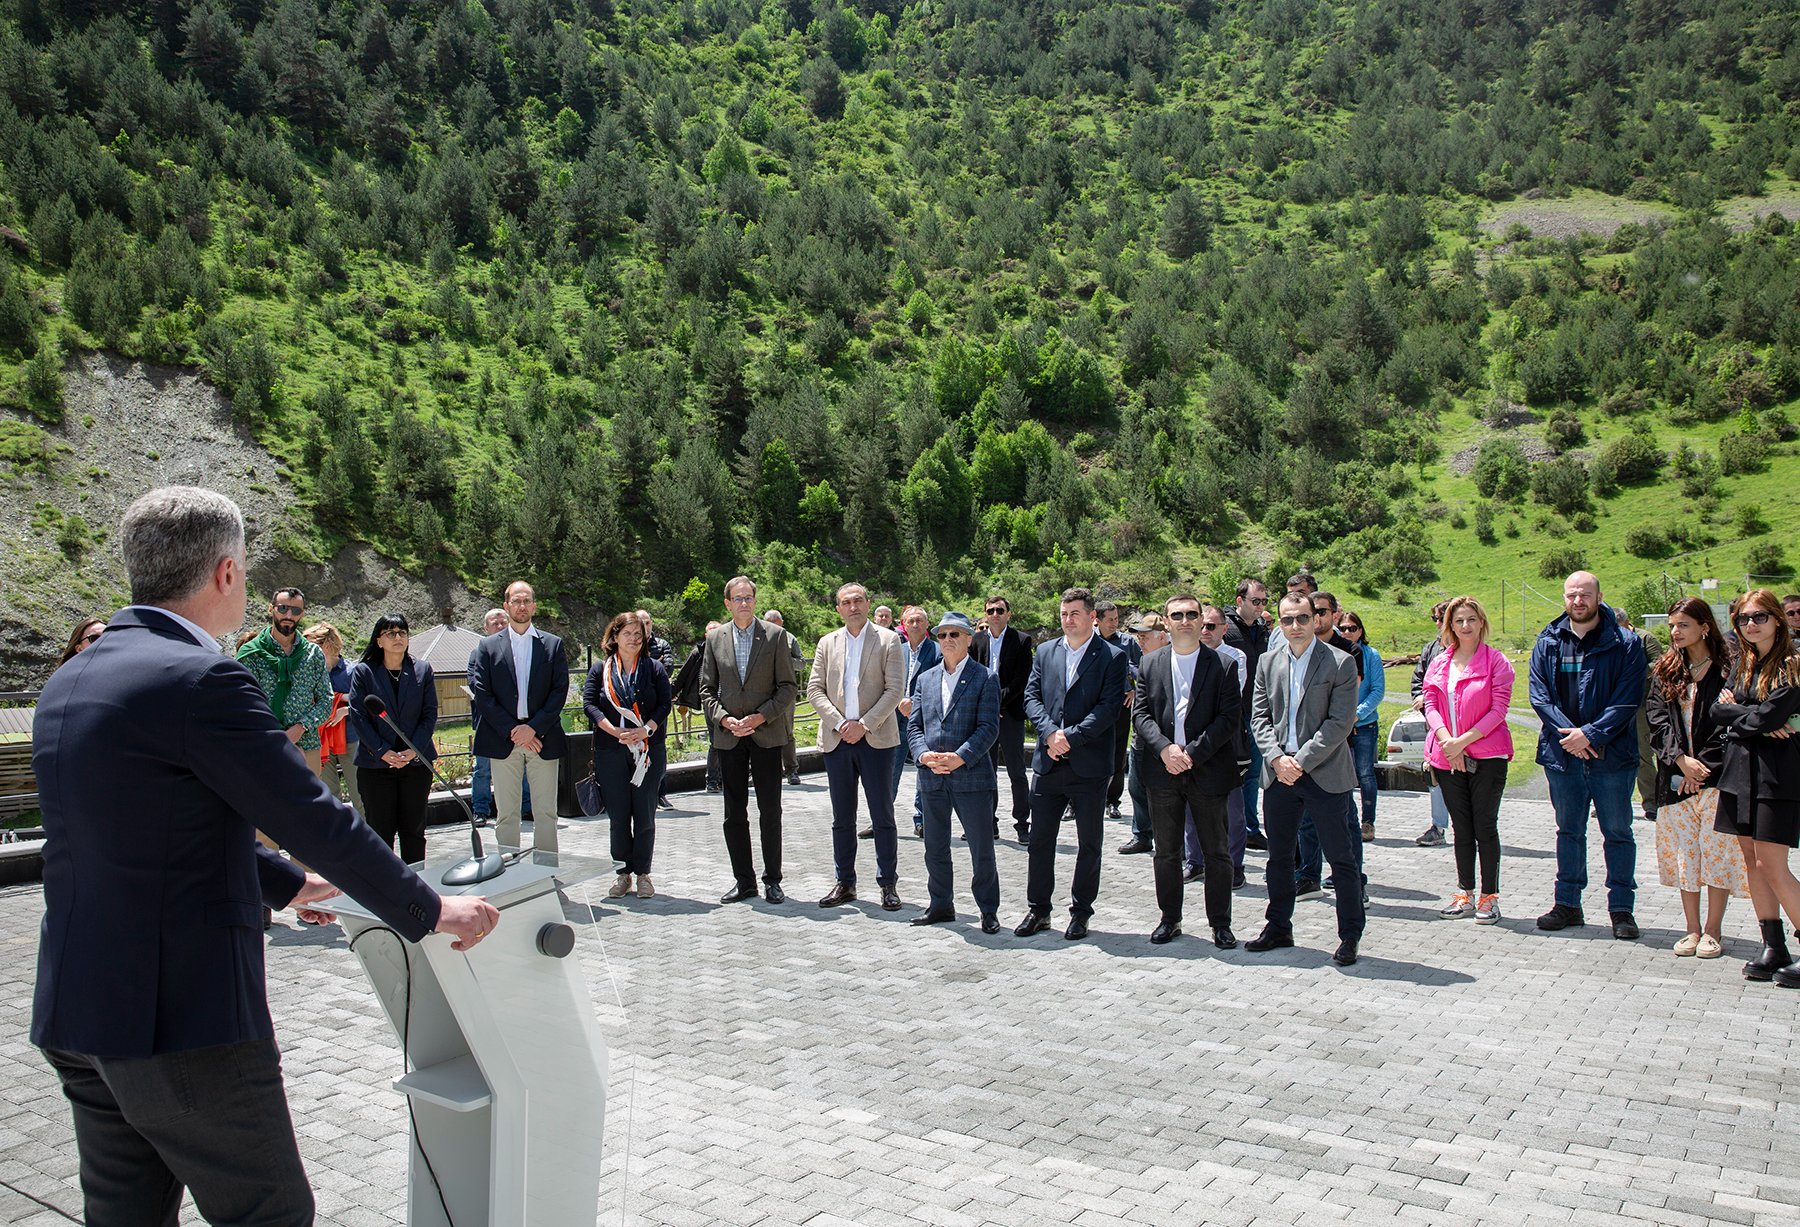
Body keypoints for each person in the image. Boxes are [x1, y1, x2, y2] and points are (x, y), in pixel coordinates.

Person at [32, 486, 495, 1227]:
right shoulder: (201, 678)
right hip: (180, 1020)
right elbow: (312, 816)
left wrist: (282, 882)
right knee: (269, 1212)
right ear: (225, 573)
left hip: (79, 1009)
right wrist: (430, 908)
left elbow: (139, 829)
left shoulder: (71, 679)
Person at [1246, 592, 1364, 966]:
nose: (1294, 626)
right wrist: (1277, 758)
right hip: (1279, 774)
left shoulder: (1341, 662)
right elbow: (1259, 718)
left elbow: (1340, 722)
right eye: (1287, 619)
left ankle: (1350, 935)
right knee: (1280, 858)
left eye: (1301, 618)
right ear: (1279, 623)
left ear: (1315, 619)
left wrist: (1300, 761)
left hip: (1324, 774)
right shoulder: (1267, 662)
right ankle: (1278, 926)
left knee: (1341, 860)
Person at [1530, 571, 1647, 940]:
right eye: (1571, 595)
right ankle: (1567, 904)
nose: (1578, 601)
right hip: (1563, 756)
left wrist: (1591, 735)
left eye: (1585, 594)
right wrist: (1572, 737)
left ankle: (1622, 909)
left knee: (1617, 832)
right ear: (1563, 598)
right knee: (1569, 831)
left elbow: (1628, 699)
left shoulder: (1625, 643)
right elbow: (1540, 697)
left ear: (1599, 596)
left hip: (1611, 757)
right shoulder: (1548, 640)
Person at [1013, 588, 1128, 941]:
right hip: (1048, 762)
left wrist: (1070, 737)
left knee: (1089, 844)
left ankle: (1081, 913)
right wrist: (1050, 734)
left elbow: (1108, 708)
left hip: (1089, 765)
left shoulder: (1112, 656)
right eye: (1063, 613)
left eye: (1075, 613)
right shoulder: (1046, 651)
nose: (1067, 619)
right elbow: (1031, 697)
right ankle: (1039, 910)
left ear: (1092, 616)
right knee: (1040, 842)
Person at [1133, 594, 1243, 948]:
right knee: (1166, 852)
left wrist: (1191, 754)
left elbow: (1228, 719)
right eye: (1177, 615)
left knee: (1217, 853)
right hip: (1162, 769)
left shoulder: (1224, 665)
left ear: (1201, 621)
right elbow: (1141, 715)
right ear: (1166, 622)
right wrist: (1165, 749)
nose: (1185, 621)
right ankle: (1170, 919)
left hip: (1208, 769)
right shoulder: (1150, 663)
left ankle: (1220, 924)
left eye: (1192, 615)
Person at [1645, 598, 1744, 957]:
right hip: (1676, 778)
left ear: (1704, 627)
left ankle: (1713, 930)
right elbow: (1656, 720)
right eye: (1672, 625)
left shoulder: (1729, 668)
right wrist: (1680, 761)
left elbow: (1731, 723)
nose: (1675, 631)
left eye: (1683, 625)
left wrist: (1701, 767)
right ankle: (1692, 929)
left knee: (1716, 853)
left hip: (1718, 778)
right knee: (1686, 854)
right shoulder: (1666, 670)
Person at [1711, 589, 1800, 985]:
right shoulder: (1742, 662)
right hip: (1739, 770)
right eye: (1743, 618)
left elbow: (1771, 715)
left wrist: (1743, 716)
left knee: (1771, 863)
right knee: (1751, 859)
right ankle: (1773, 945)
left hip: (1777, 773)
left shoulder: (1792, 664)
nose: (1750, 624)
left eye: (1759, 617)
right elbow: (1717, 711)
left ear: (1777, 619)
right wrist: (1751, 717)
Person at [809, 582, 907, 910]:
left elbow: (894, 690)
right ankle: (845, 883)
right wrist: (840, 724)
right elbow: (814, 689)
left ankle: (888, 884)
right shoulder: (827, 642)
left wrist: (863, 725)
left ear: (868, 603)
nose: (853, 607)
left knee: (882, 815)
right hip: (837, 740)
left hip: (876, 739)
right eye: (846, 602)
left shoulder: (888, 640)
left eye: (858, 600)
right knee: (842, 817)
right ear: (838, 608)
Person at [700, 576, 797, 904]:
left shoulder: (775, 636)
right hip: (730, 737)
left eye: (749, 598)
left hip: (766, 735)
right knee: (734, 813)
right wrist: (724, 719)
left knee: (770, 810)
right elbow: (706, 689)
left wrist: (760, 717)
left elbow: (787, 687)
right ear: (727, 603)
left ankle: (773, 880)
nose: (744, 603)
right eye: (738, 598)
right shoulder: (715, 639)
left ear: (755, 601)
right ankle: (744, 881)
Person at [1421, 597, 1515, 925]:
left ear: (1481, 622)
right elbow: (1430, 704)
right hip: (1447, 756)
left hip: (1487, 756)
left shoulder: (1496, 661)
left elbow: (1499, 709)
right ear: (1449, 625)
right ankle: (1465, 893)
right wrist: (1448, 742)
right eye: (1459, 620)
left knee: (1484, 826)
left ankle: (1490, 897)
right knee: (1462, 828)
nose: (1465, 626)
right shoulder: (1439, 663)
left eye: (1471, 619)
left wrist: (1462, 742)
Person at [907, 612, 1003, 933]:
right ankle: (941, 905)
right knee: (935, 847)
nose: (947, 640)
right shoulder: (925, 679)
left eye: (954, 634)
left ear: (968, 639)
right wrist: (923, 755)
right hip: (932, 776)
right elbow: (915, 726)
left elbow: (989, 728)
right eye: (942, 634)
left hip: (971, 777)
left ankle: (988, 910)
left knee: (981, 849)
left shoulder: (985, 678)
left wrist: (960, 757)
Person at [469, 582, 570, 854]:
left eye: (526, 601)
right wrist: (514, 730)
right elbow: (483, 693)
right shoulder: (487, 646)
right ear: (507, 606)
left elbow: (559, 691)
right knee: (506, 815)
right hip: (503, 739)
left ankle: (546, 872)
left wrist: (533, 728)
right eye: (516, 601)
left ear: (534, 606)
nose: (521, 606)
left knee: (546, 814)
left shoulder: (552, 645)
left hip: (542, 738)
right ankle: (509, 871)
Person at [584, 611, 673, 900]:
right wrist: (612, 731)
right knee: (619, 816)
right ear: (614, 636)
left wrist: (646, 730)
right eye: (627, 634)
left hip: (647, 750)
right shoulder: (601, 669)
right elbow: (589, 704)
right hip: (611, 749)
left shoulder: (654, 668)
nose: (633, 639)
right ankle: (623, 874)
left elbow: (664, 704)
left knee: (645, 815)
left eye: (638, 634)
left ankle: (643, 873)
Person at [347, 613, 438, 865]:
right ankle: (384, 884)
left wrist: (414, 749)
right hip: (376, 765)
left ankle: (415, 881)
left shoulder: (422, 669)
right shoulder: (365, 672)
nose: (397, 637)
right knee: (380, 832)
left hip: (416, 764)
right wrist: (382, 751)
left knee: (414, 830)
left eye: (402, 632)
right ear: (379, 641)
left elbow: (429, 714)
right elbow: (358, 716)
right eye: (390, 633)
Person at [1294, 591, 1365, 900]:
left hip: (1334, 750)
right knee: (1306, 822)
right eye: (1313, 612)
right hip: (1296, 754)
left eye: (1321, 611)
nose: (1317, 617)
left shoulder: (1348, 651)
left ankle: (1354, 881)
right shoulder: (1293, 650)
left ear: (1334, 614)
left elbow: (1344, 710)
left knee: (1345, 821)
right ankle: (1309, 875)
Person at [236, 586, 332, 773]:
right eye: (282, 608)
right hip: (262, 747)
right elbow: (242, 704)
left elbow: (326, 700)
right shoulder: (251, 654)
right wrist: (279, 738)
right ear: (270, 609)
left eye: (295, 610)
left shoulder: (313, 654)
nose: (288, 615)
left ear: (302, 614)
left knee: (308, 793)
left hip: (307, 747)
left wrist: (300, 728)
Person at [1191, 605, 1250, 889]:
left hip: (1227, 742)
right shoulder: (1187, 654)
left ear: (1225, 629)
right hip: (1192, 742)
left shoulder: (1235, 657)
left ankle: (1235, 866)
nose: (1205, 631)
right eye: (1202, 625)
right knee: (1190, 807)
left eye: (1212, 626)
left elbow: (1228, 699)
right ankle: (1195, 861)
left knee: (1233, 811)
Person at [970, 593, 1033, 840]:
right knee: (987, 771)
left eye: (999, 610)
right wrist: (985, 705)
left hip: (1010, 714)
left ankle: (1022, 823)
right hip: (983, 717)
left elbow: (1021, 679)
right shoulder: (976, 640)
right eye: (990, 611)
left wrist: (996, 701)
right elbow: (972, 674)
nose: (995, 615)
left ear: (1009, 614)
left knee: (1017, 771)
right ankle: (989, 822)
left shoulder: (1022, 640)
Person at [1223, 579, 1271, 851]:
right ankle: (1229, 826)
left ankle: (1250, 828)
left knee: (1253, 775)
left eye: (1264, 601)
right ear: (1240, 601)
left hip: (1258, 715)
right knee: (1232, 774)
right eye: (1256, 601)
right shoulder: (1225, 628)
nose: (1260, 606)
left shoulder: (1263, 629)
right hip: (1232, 716)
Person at [1119, 613, 1168, 856]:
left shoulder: (1173, 661)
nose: (1140, 641)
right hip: (1140, 738)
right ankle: (1142, 835)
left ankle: (1170, 840)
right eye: (1138, 637)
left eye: (1145, 637)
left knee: (1165, 795)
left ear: (1162, 637)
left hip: (1165, 741)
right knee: (1136, 788)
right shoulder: (1142, 662)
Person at [304, 621, 362, 814]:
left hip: (351, 739)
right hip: (321, 742)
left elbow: (367, 704)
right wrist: (341, 698)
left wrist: (345, 710)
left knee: (360, 795)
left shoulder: (352, 671)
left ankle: (366, 833)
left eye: (311, 646)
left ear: (326, 646)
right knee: (328, 798)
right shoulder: (309, 673)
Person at [893, 605, 941, 838]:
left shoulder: (937, 652)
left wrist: (914, 702)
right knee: (890, 771)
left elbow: (940, 683)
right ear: (903, 625)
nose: (914, 624)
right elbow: (887, 681)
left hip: (923, 720)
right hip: (895, 719)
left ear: (927, 624)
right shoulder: (896, 650)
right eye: (910, 621)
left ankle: (922, 820)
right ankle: (881, 819)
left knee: (925, 771)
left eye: (919, 620)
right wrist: (898, 702)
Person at [1338, 610, 1385, 841]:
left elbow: (1377, 690)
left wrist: (1356, 714)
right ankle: (1345, 820)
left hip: (1364, 724)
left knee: (1365, 773)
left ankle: (1368, 822)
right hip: (1339, 726)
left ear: (1360, 631)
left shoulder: (1371, 654)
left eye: (1352, 628)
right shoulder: (1334, 652)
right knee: (1341, 774)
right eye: (1343, 628)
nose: (1347, 632)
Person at [1095, 599, 1141, 825]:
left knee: (1118, 753)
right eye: (1110, 620)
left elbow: (1141, 667)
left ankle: (1112, 801)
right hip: (1093, 705)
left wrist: (1134, 689)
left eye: (1117, 619)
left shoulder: (1127, 642)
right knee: (1088, 750)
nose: (1115, 623)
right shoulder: (1088, 640)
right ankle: (1075, 802)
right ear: (1097, 620)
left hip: (1120, 705)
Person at [1412, 601, 1453, 846]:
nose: (1437, 624)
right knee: (1434, 776)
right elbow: (1418, 680)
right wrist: (1423, 700)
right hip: (1435, 727)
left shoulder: (1470, 649)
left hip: (1465, 729)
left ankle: (1471, 828)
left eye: (1440, 618)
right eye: (1434, 619)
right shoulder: (1431, 649)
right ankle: (1438, 827)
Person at [1617, 609, 1663, 822]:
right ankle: (1613, 803)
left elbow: (1659, 664)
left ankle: (1652, 803)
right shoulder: (1611, 639)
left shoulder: (1646, 639)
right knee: (1616, 756)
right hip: (1618, 706)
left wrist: (1633, 672)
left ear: (1628, 622)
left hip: (1643, 705)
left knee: (1643, 755)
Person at [670, 620, 723, 792]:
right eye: (711, 632)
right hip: (710, 700)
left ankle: (725, 778)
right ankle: (712, 780)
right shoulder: (698, 652)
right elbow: (683, 674)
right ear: (706, 635)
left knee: (731, 740)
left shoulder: (730, 650)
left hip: (730, 700)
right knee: (716, 740)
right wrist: (669, 694)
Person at [468, 607, 507, 819]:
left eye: (503, 623)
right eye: (495, 624)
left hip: (514, 722)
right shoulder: (477, 654)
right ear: (486, 628)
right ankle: (480, 810)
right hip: (486, 721)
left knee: (519, 768)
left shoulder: (517, 651)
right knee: (482, 769)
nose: (500, 627)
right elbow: (475, 685)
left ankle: (525, 807)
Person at [636, 609, 676, 809]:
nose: (645, 626)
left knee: (658, 747)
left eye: (648, 622)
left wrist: (652, 668)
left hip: (658, 705)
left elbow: (667, 668)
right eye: (641, 622)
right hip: (634, 705)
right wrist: (654, 665)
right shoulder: (629, 642)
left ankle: (660, 793)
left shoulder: (661, 644)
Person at [763, 609, 806, 785]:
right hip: (763, 692)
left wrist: (785, 658)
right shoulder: (757, 638)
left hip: (785, 692)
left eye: (777, 624)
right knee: (761, 732)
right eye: (770, 623)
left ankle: (791, 770)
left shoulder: (790, 639)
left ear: (782, 623)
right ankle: (763, 770)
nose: (774, 627)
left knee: (787, 731)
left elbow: (801, 664)